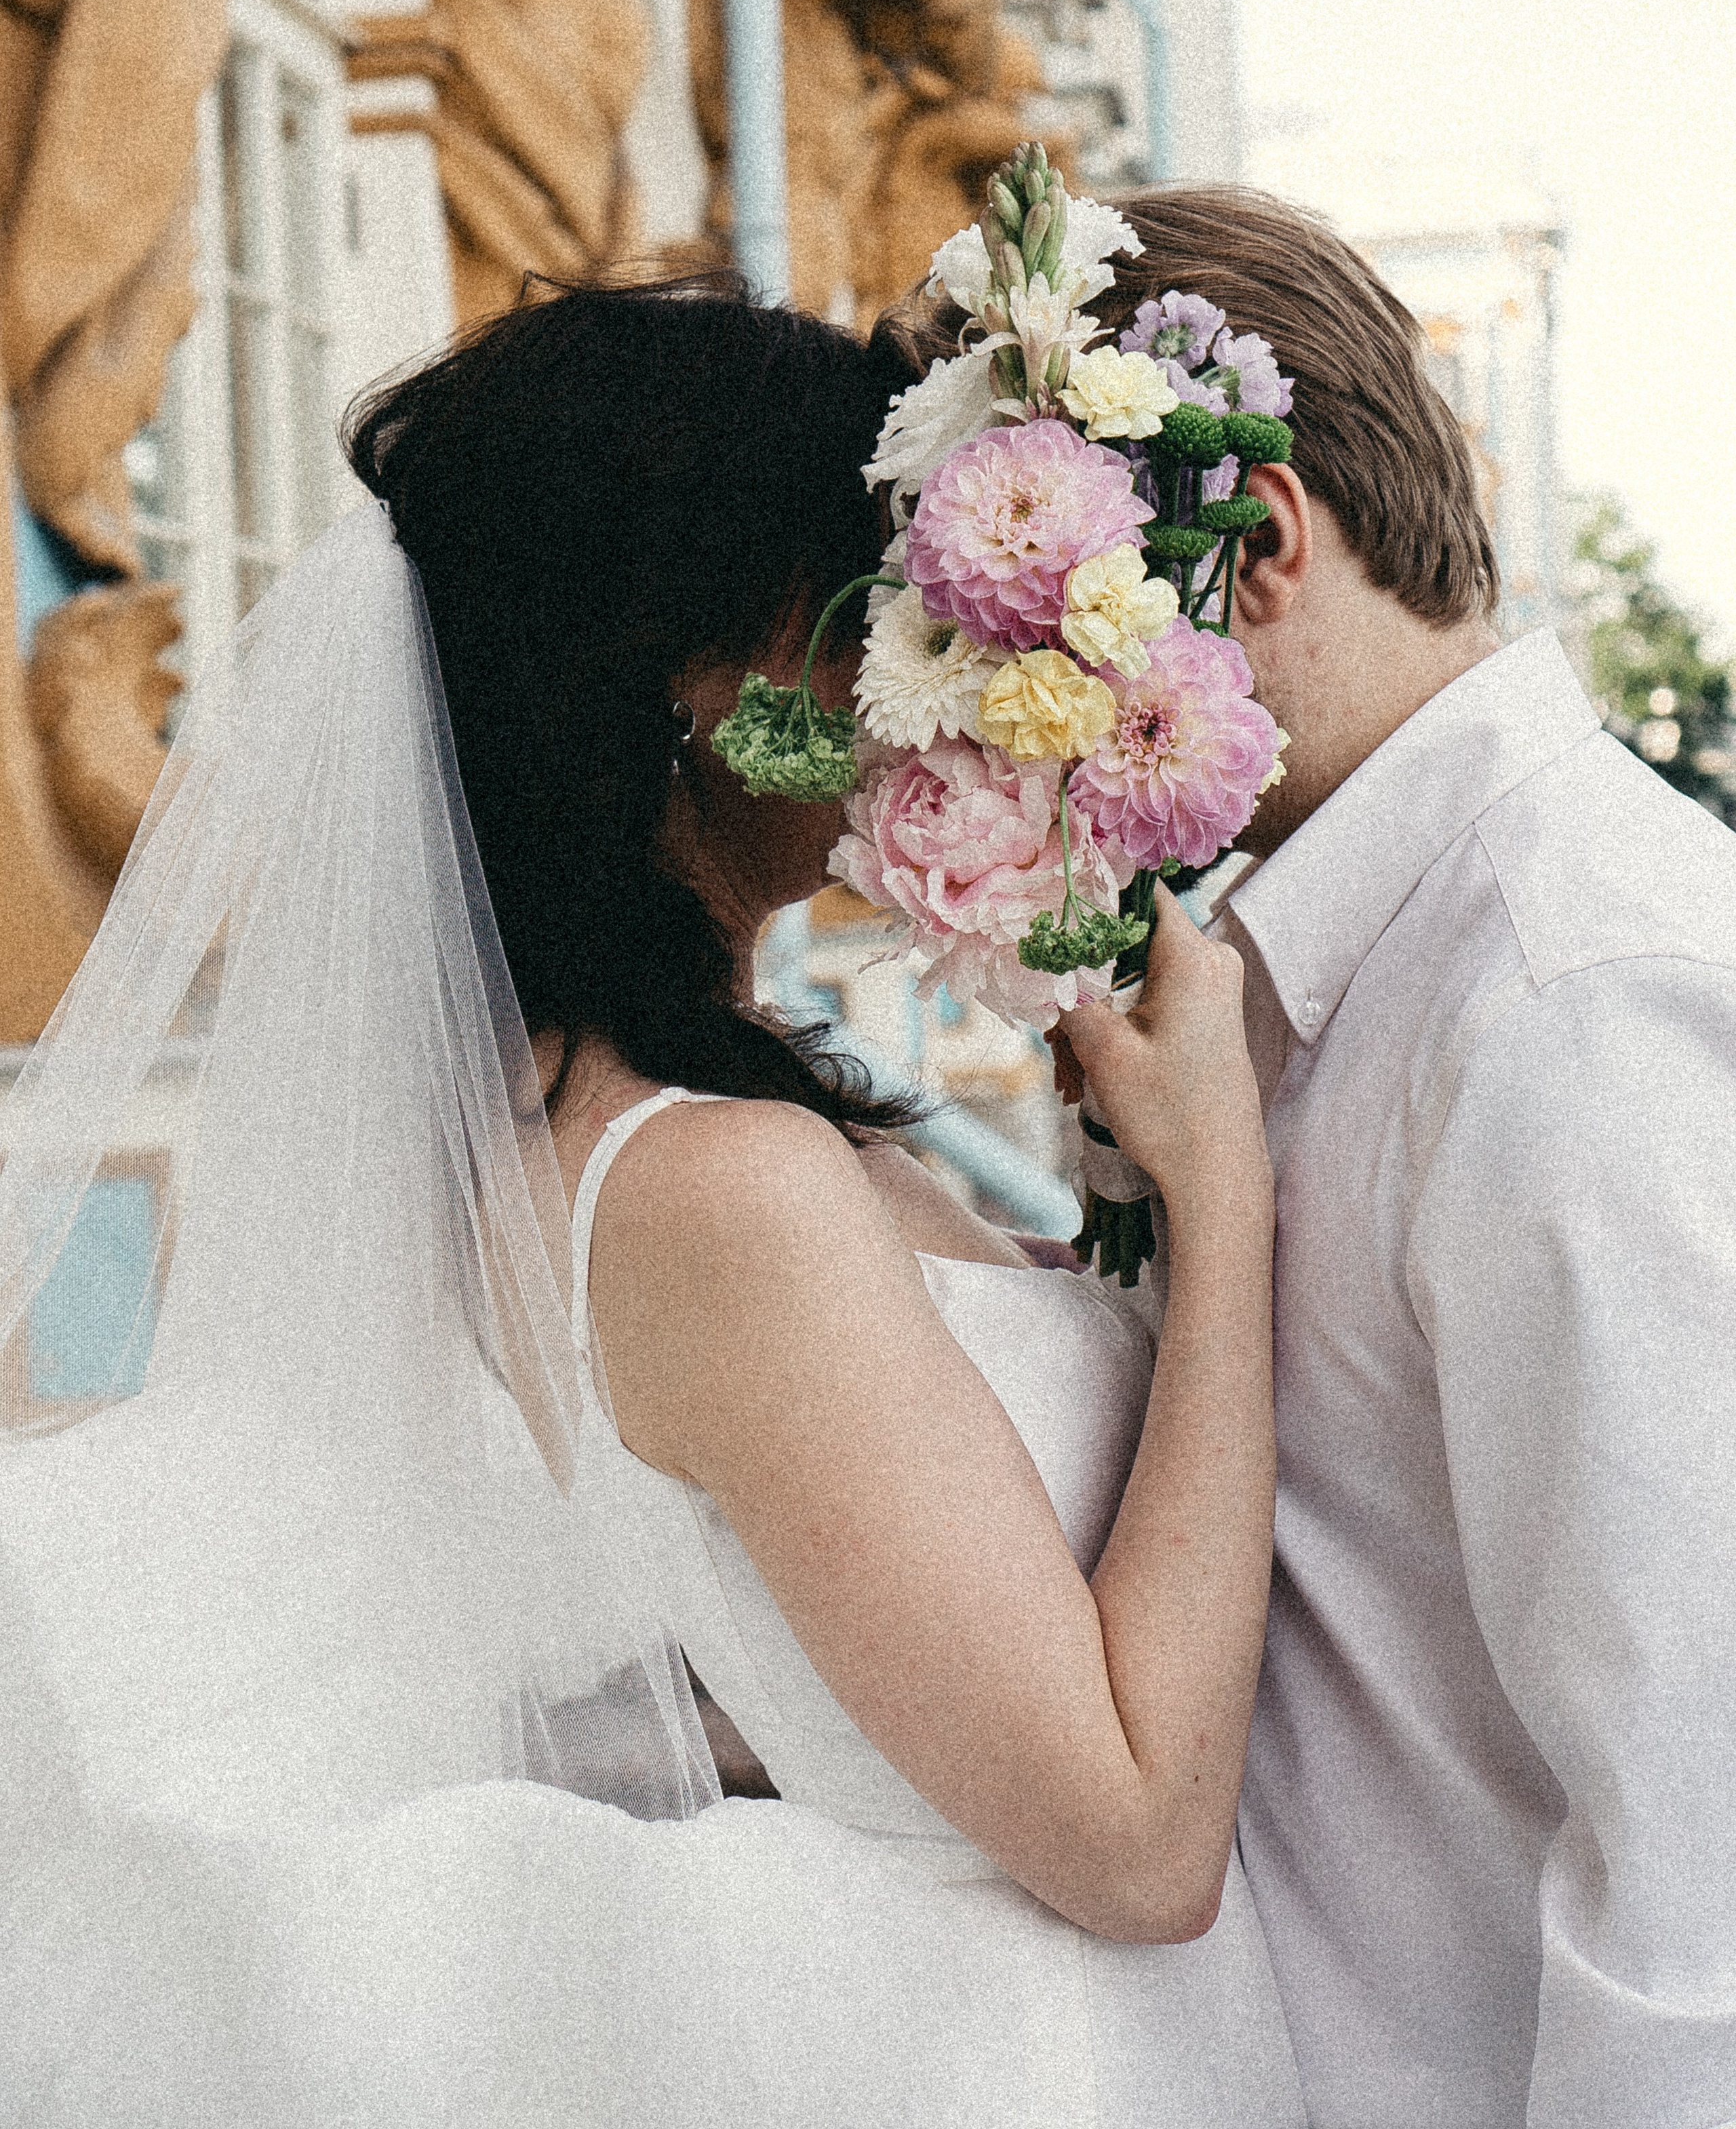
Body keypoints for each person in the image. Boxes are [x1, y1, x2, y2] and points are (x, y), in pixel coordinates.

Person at [0, 274, 1304, 2126]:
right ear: (707, 679)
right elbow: (1140, 1842)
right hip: (1025, 2047)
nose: (924, 678)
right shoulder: (711, 1182)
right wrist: (1225, 1198)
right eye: (869, 608)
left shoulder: (650, 1118)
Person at [1085, 191, 1736, 2126]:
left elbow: (1699, 1844)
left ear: (1255, 543)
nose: (1017, 724)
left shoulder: (1573, 994)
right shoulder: (1300, 972)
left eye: (1039, 627)